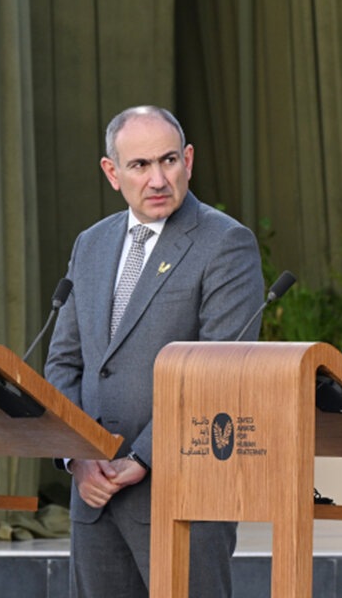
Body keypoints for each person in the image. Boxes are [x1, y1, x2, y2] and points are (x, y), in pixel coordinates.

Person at [45, 105, 264, 597]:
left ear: (188, 159)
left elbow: (219, 373)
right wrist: (77, 460)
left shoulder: (226, 243)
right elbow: (65, 362)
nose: (158, 178)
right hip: (93, 497)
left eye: (168, 160)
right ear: (112, 173)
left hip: (181, 496)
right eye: (140, 165)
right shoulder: (91, 244)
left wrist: (141, 460)